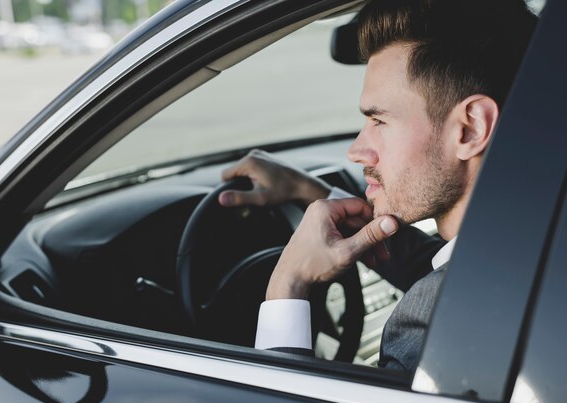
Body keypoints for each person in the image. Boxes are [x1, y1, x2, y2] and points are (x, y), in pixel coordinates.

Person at [218, 0, 537, 371]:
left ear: (470, 129)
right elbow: (435, 263)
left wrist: (287, 287)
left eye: (379, 121)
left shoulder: (436, 329)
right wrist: (310, 190)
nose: (356, 151)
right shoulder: (526, 248)